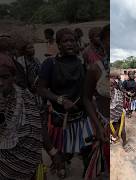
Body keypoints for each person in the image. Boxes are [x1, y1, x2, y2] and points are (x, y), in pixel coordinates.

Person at [38, 28, 93, 178]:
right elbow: (41, 89)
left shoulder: (81, 62)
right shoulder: (50, 63)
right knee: (62, 154)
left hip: (82, 117)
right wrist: (60, 100)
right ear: (59, 44)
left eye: (72, 41)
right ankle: (61, 167)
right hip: (61, 120)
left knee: (88, 151)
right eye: (65, 41)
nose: (70, 44)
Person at [0, 53, 42, 179]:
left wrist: (52, 151)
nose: (0, 83)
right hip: (4, 166)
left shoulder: (25, 96)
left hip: (30, 162)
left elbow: (37, 126)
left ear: (13, 76)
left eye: (5, 77)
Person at [83, 25, 110, 179]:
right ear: (103, 42)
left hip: (117, 118)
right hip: (103, 122)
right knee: (105, 163)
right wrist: (99, 127)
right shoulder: (95, 69)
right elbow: (86, 98)